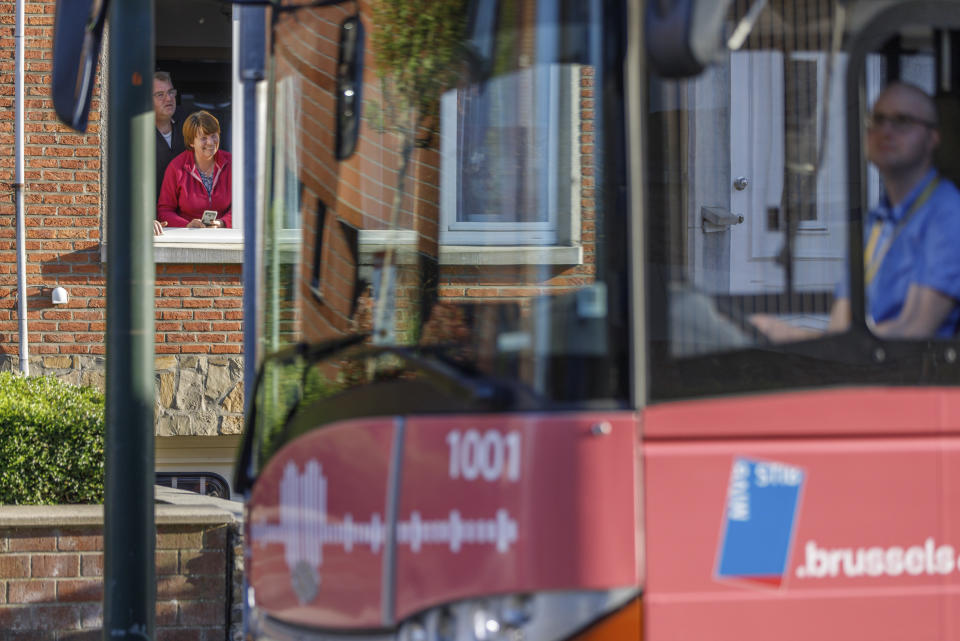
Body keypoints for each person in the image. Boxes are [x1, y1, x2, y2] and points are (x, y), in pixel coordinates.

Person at [753, 81, 960, 341]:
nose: (885, 131)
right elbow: (841, 332)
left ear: (933, 138)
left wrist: (788, 335)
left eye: (902, 121)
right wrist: (775, 333)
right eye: (877, 119)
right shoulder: (877, 220)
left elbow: (914, 333)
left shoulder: (947, 213)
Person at [158, 110, 232, 229]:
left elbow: (244, 204)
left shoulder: (232, 163)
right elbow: (164, 211)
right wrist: (186, 225)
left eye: (214, 135)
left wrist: (223, 222)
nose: (211, 142)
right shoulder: (176, 167)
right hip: (188, 238)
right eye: (203, 138)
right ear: (191, 142)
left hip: (227, 237)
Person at [154, 71, 185, 235]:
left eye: (171, 92)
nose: (168, 99)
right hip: (155, 228)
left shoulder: (188, 125)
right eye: (160, 94)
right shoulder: (138, 134)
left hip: (187, 224)